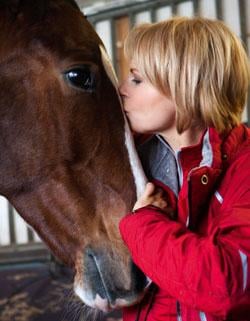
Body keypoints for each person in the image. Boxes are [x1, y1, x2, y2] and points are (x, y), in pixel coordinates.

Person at [118, 16, 250, 321]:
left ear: (185, 86)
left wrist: (144, 224)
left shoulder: (243, 168)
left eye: (137, 79)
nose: (122, 89)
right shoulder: (133, 159)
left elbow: (229, 285)